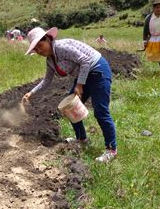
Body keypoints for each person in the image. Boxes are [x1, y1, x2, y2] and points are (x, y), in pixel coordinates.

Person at [22, 27, 117, 162]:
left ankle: (111, 150)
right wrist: (31, 93)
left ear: (48, 39)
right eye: (35, 49)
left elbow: (85, 61)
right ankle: (81, 139)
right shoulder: (50, 60)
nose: (39, 50)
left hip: (98, 70)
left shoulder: (61, 47)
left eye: (40, 45)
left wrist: (79, 85)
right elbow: (47, 80)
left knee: (101, 111)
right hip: (83, 74)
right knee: (69, 108)